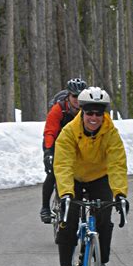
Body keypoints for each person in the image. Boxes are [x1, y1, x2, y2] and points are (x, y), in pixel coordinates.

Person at [53, 86, 129, 266]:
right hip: (75, 178)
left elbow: (117, 164)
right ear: (82, 112)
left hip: (99, 177)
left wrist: (120, 193)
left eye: (99, 113)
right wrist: (66, 194)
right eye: (89, 113)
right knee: (68, 221)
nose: (94, 118)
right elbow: (63, 164)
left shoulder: (111, 133)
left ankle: (101, 262)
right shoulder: (69, 131)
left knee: (104, 217)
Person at [40, 77, 87, 223]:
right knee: (54, 172)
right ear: (68, 95)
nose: (77, 99)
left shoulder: (87, 110)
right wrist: (48, 153)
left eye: (80, 96)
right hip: (55, 142)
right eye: (74, 96)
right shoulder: (59, 109)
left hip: (77, 143)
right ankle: (45, 208)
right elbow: (49, 132)